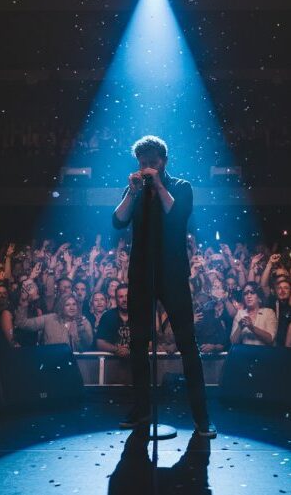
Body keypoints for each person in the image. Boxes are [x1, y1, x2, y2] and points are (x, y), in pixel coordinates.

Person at [111, 135, 215, 438]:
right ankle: (141, 409)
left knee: (187, 346)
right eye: (143, 163)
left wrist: (158, 185)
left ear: (164, 162)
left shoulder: (181, 187)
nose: (147, 168)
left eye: (152, 163)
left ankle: (201, 417)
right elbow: (118, 221)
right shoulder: (134, 191)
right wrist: (132, 193)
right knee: (138, 345)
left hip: (172, 276)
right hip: (141, 275)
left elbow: (177, 215)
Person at [15, 293, 93, 351]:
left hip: (75, 365)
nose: (72, 307)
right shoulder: (49, 319)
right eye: (67, 305)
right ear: (61, 306)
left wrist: (81, 330)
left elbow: (87, 346)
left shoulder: (83, 322)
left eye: (74, 304)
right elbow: (22, 323)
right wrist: (24, 304)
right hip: (51, 363)